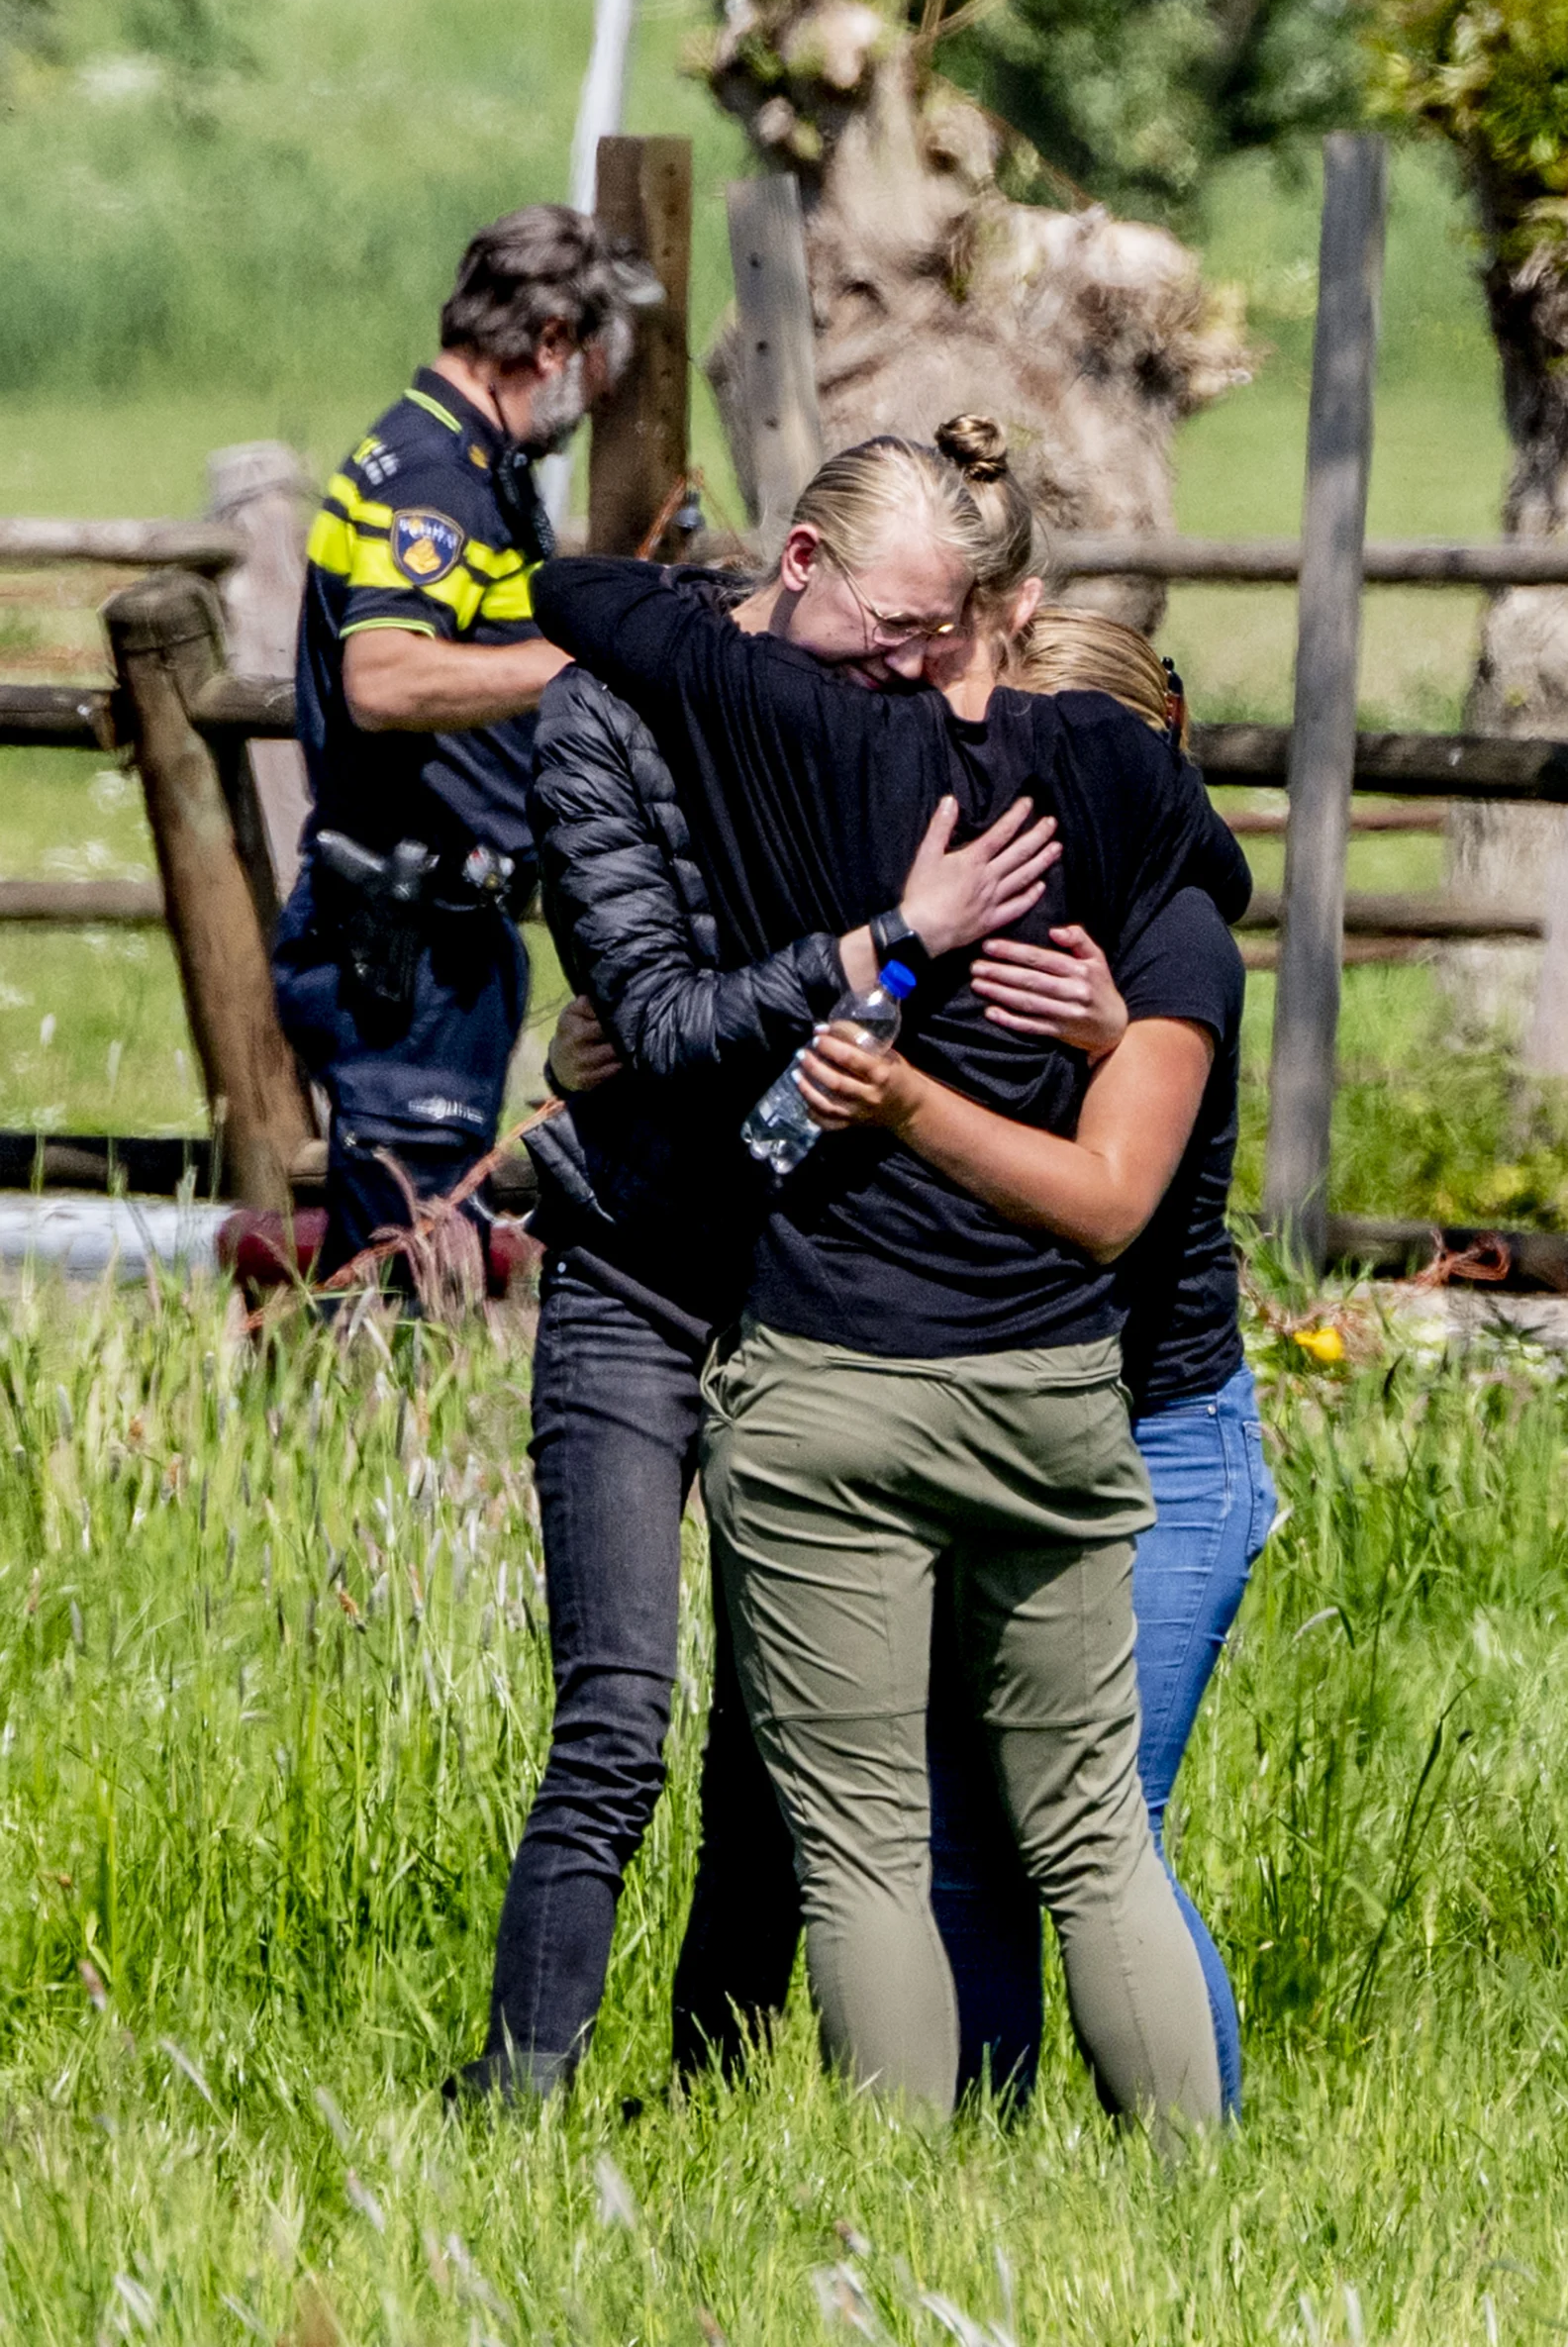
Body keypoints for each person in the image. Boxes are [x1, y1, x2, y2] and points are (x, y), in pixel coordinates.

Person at [532, 448, 1247, 2134]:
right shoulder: (1124, 801)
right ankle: (1196, 2194)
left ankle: (892, 2214)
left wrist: (680, 1071)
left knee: (867, 1840)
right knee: (1089, 1838)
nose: (901, 664)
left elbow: (594, 600)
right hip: (1059, 1390)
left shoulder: (826, 754)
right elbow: (1193, 895)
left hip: (840, 1374)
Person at [453, 426, 1068, 2104]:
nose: (907, 669)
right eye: (887, 629)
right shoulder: (604, 717)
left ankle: (711, 2096)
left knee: (777, 1744)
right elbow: (650, 1016)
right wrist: (880, 946)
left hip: (818, 1274)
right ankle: (516, 2099)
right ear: (797, 566)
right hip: (641, 1269)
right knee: (620, 1719)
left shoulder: (888, 721)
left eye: (937, 640)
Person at [807, 611, 1273, 2117]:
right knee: (961, 1833)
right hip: (997, 1415)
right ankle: (989, 2155)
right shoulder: (972, 918)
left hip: (1160, 1432)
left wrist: (1105, 1039)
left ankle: (1205, 2165)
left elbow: (1113, 1191)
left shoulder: (1173, 933)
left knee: (1096, 1828)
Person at [277, 206, 663, 1281]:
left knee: (425, 1238)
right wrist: (578, 665)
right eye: (595, 360)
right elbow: (384, 678)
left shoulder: (472, 462)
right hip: (411, 933)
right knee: (408, 1265)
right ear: (549, 341)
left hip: (448, 923)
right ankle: (366, 1444)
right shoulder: (436, 475)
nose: (597, 393)